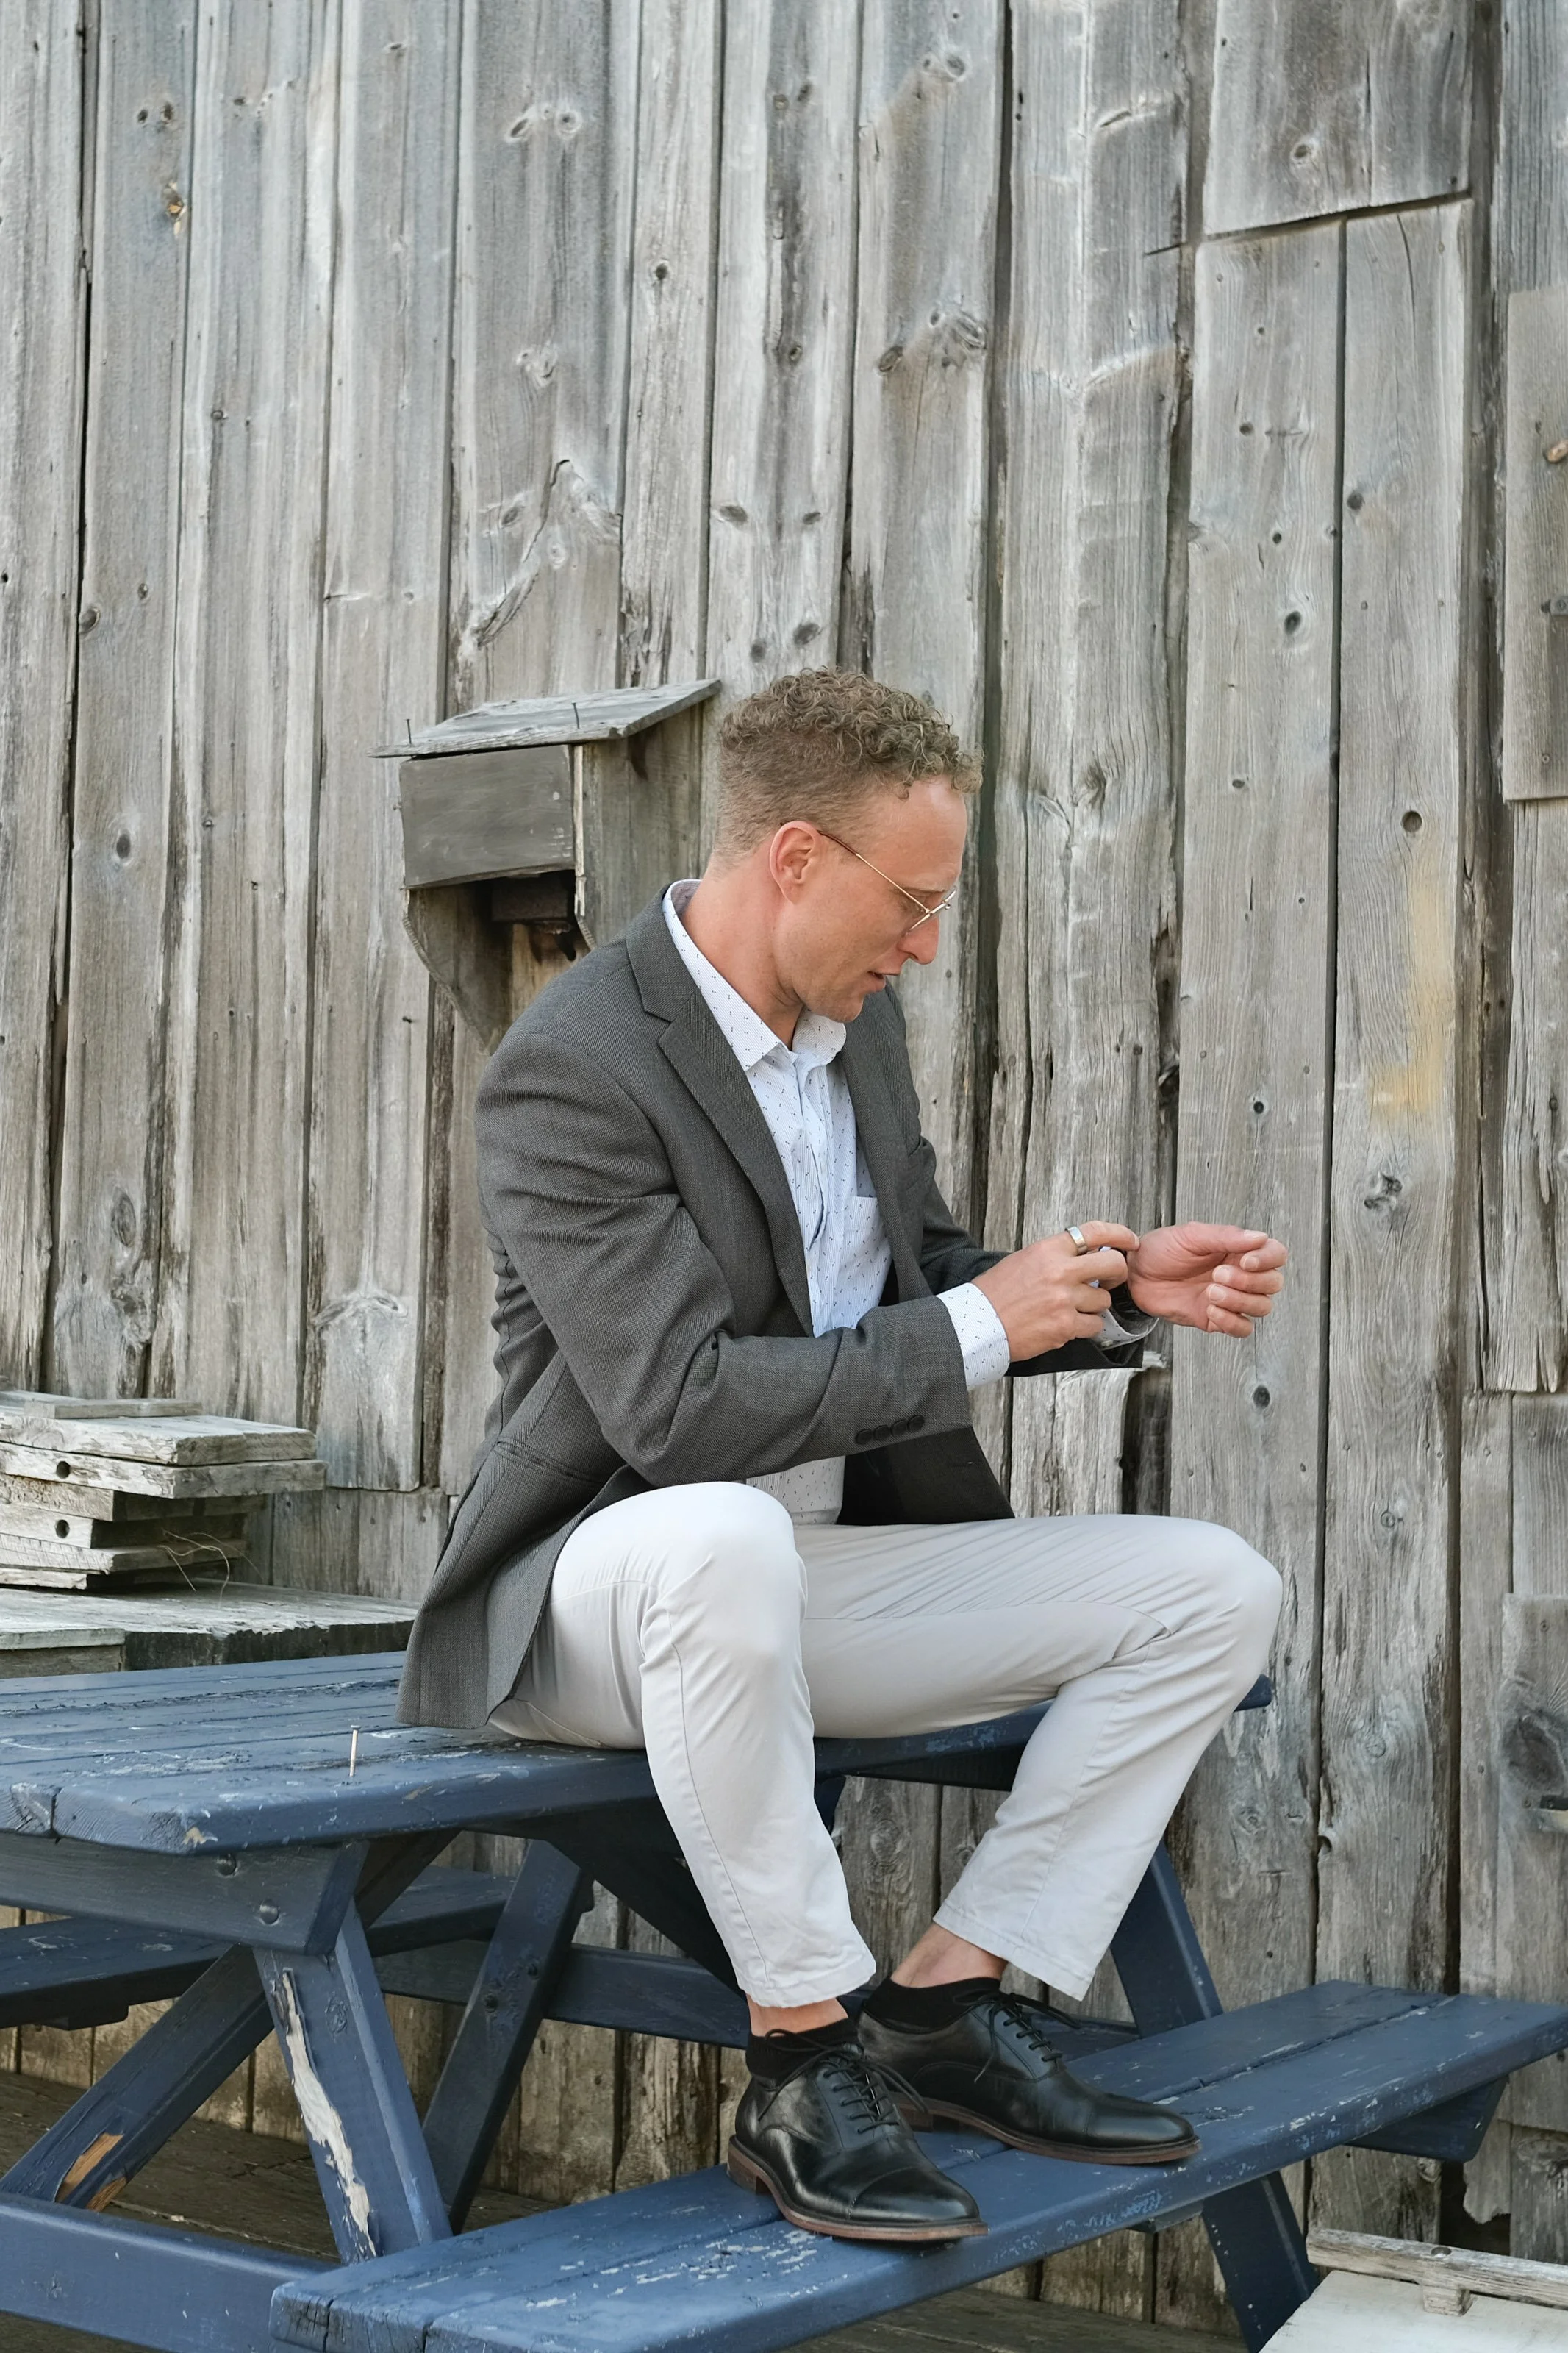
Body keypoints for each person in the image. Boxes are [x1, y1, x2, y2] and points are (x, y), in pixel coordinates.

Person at [398, 669, 1286, 2243]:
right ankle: (803, 2058)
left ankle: (943, 2008)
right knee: (718, 1535)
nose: (926, 945)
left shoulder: (849, 1033)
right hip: (598, 1595)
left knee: (1213, 1588)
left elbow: (919, 1275)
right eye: (914, 902)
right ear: (797, 858)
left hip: (800, 1578)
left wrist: (1092, 1283)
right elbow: (672, 1409)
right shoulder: (572, 1068)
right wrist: (981, 1326)